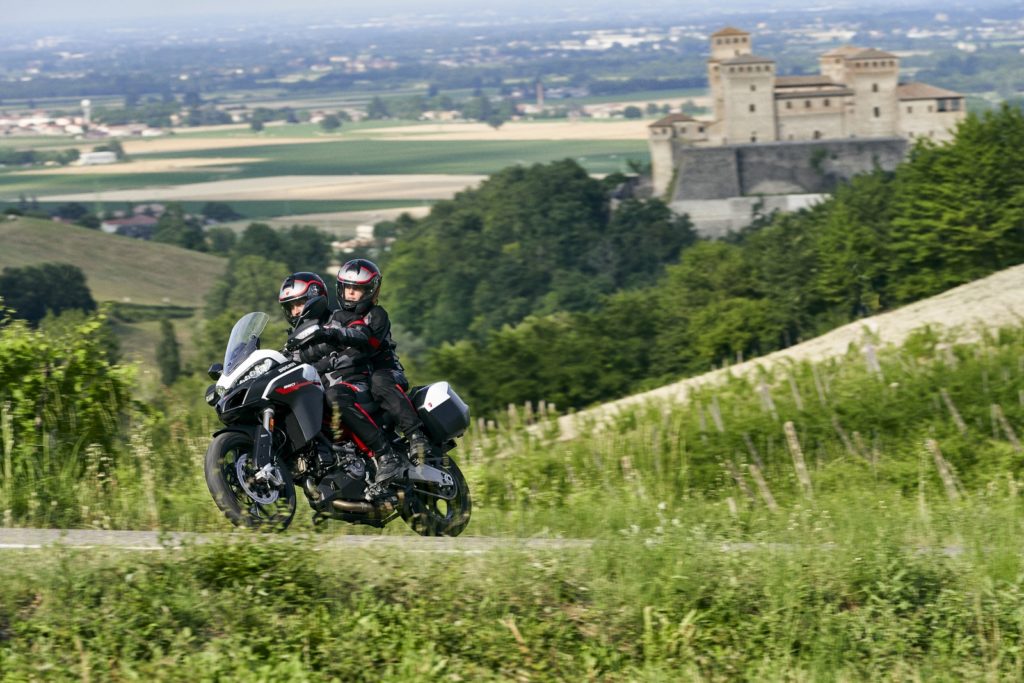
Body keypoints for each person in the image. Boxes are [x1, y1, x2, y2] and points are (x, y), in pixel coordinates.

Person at [277, 271, 404, 486]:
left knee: (335, 397)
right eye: (290, 306)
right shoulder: (295, 343)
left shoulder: (340, 318)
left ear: (314, 298)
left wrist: (330, 334)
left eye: (299, 303)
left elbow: (361, 334)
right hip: (326, 392)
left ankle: (386, 455)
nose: (295, 311)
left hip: (356, 383)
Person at [335, 258, 430, 464]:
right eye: (347, 287)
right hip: (358, 379)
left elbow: (366, 348)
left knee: (379, 381)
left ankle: (416, 435)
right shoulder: (337, 318)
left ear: (370, 290)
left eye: (356, 289)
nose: (350, 293)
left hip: (388, 372)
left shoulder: (377, 315)